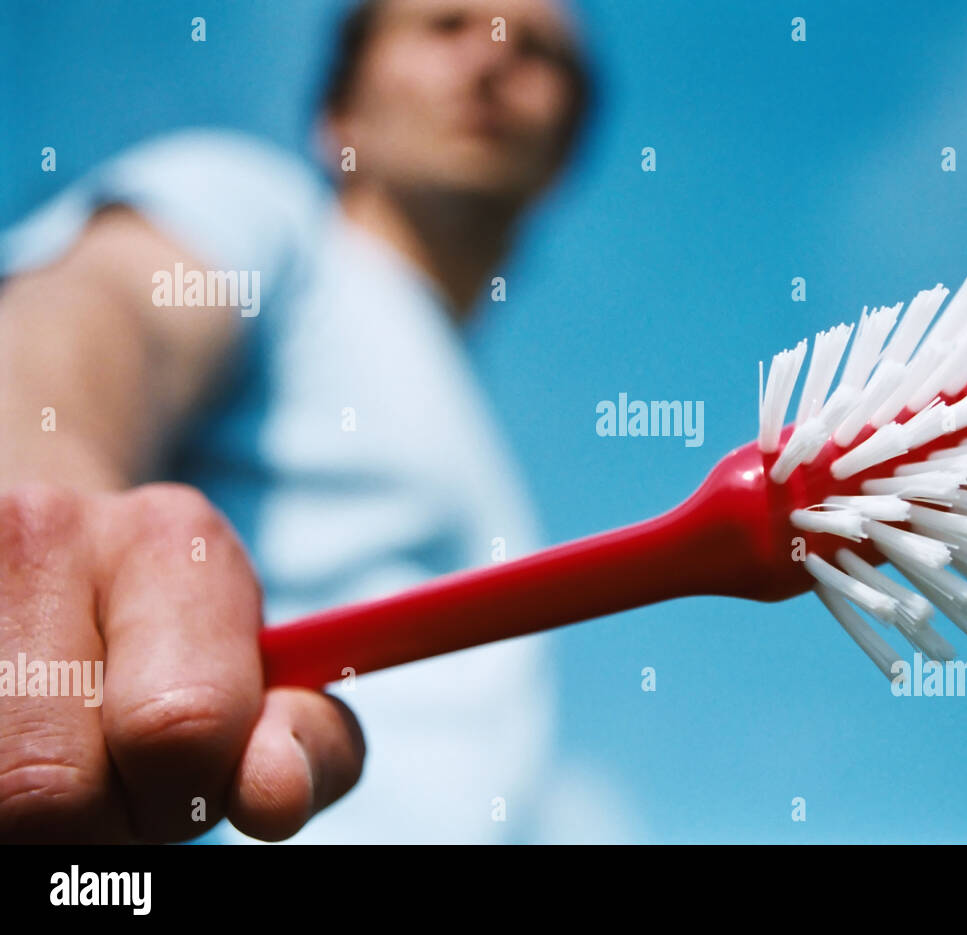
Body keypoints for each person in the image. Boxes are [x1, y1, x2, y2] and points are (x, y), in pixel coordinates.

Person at [0, 0, 596, 843]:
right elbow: (105, 309)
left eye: (536, 50)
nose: (492, 59)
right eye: (445, 26)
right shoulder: (261, 211)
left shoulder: (487, 454)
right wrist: (49, 511)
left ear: (562, 162)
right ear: (337, 118)